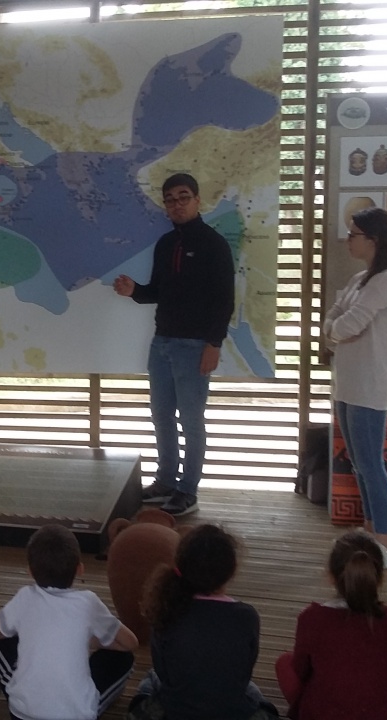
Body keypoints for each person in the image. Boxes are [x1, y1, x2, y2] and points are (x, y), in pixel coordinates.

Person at [114, 172, 236, 516]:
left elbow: (224, 299)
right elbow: (158, 292)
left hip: (195, 346)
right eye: (170, 200)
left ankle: (187, 490)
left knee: (191, 420)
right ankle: (166, 481)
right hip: (162, 343)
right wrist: (134, 291)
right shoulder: (166, 244)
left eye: (183, 197)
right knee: (161, 415)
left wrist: (213, 343)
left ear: (197, 200)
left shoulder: (214, 244)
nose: (177, 204)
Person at [276, 530, 387, 720]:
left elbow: (300, 670)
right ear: (378, 579)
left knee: (285, 663)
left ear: (330, 576)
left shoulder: (311, 618)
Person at [323, 207, 387, 569]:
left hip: (370, 387)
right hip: (348, 384)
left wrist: (336, 329)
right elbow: (333, 319)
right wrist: (336, 328)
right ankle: (371, 530)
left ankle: (386, 542)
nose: (348, 240)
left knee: (372, 466)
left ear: (373, 239)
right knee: (360, 465)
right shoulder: (361, 278)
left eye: (354, 234)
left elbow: (347, 325)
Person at [0, 524, 137, 720]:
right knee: (123, 658)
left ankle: (20, 686)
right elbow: (130, 643)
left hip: (23, 713)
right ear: (80, 569)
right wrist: (88, 640)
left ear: (30, 571)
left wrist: (30, 631)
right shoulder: (88, 602)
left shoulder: (25, 596)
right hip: (74, 715)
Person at [129, 524, 278, 720]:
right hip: (233, 713)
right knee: (251, 689)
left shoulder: (166, 609)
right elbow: (244, 670)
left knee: (150, 679)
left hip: (175, 712)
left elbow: (162, 671)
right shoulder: (246, 616)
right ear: (231, 571)